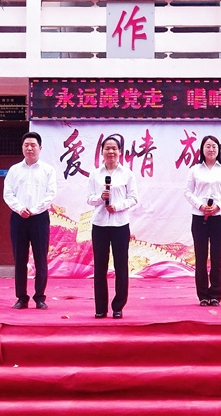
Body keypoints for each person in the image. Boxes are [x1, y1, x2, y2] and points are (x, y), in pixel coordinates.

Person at [3, 131, 57, 310]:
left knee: (40, 258)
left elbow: (51, 194)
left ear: (40, 148)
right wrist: (20, 208)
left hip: (39, 218)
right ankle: (21, 297)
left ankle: (40, 297)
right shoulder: (14, 170)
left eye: (33, 145)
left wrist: (34, 210)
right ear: (22, 148)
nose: (29, 148)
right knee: (20, 258)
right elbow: (8, 193)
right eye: (26, 145)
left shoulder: (48, 170)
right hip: (18, 217)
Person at [87, 136, 138, 319]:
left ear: (119, 152)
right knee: (100, 267)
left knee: (121, 266)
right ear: (102, 152)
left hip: (120, 224)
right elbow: (89, 198)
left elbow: (133, 198)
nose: (110, 152)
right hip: (100, 224)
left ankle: (118, 306)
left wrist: (117, 206)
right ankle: (100, 308)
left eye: (114, 148)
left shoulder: (127, 174)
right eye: (107, 148)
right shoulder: (95, 174)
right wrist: (100, 198)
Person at [184, 135, 221, 306]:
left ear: (218, 149)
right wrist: (200, 206)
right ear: (202, 149)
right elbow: (187, 192)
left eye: (214, 146)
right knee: (200, 257)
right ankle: (202, 295)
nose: (211, 149)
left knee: (216, 257)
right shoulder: (195, 170)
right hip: (199, 218)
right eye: (207, 146)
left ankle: (215, 294)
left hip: (218, 218)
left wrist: (219, 206)